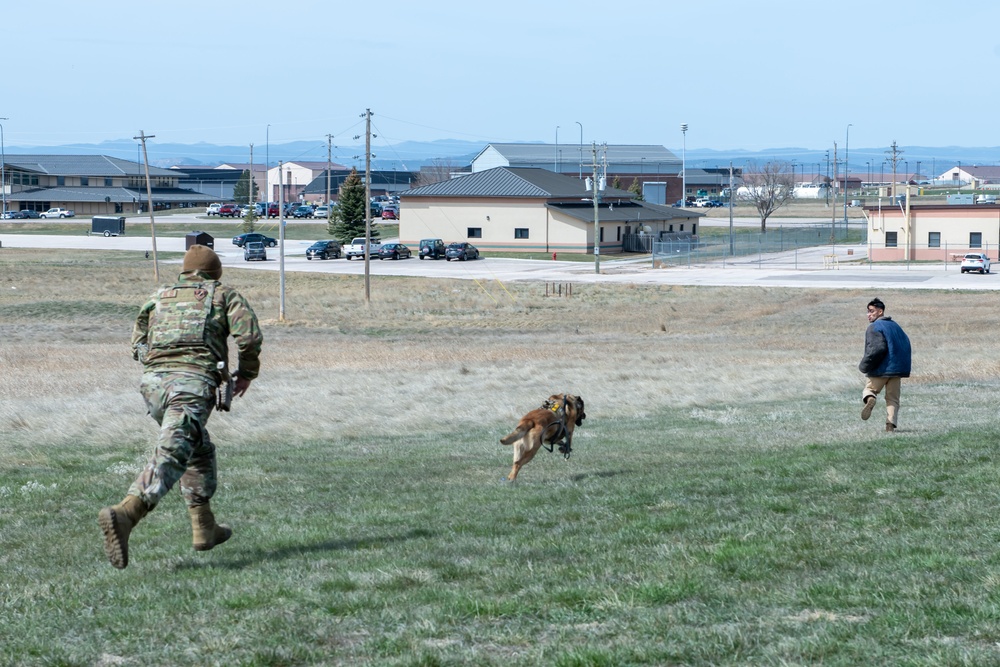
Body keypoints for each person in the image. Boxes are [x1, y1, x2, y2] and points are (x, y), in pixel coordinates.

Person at [99, 245, 263, 569]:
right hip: (192, 385)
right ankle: (128, 511)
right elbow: (249, 338)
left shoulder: (159, 295)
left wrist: (161, 369)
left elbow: (138, 343)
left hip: (154, 388)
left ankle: (204, 527)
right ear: (214, 273)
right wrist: (245, 374)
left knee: (197, 447)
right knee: (174, 449)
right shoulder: (223, 294)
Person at [859, 297, 911, 433]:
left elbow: (876, 349)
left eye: (871, 311)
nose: (868, 314)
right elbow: (906, 345)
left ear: (880, 312)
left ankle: (870, 400)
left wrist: (864, 366)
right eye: (867, 312)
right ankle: (890, 425)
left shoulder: (874, 327)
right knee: (893, 399)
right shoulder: (896, 326)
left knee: (870, 390)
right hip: (897, 371)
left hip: (880, 370)